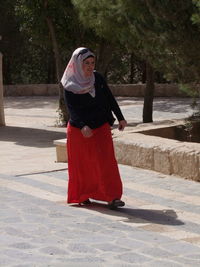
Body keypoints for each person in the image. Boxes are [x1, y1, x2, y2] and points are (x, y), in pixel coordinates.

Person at [61, 47, 127, 209]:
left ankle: (112, 197)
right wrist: (83, 125)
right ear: (77, 64)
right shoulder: (70, 84)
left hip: (100, 126)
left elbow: (109, 98)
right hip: (79, 131)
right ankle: (82, 195)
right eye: (86, 63)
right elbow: (72, 109)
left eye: (92, 62)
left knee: (107, 162)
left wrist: (120, 117)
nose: (90, 66)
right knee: (82, 164)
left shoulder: (97, 78)